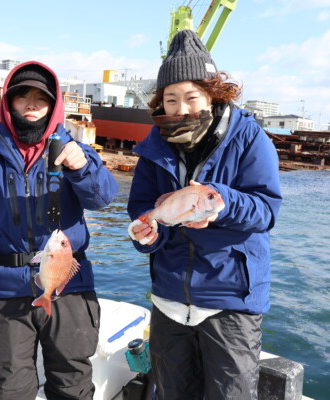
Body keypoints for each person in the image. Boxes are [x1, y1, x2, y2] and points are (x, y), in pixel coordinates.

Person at [0, 61, 118, 400]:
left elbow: (103, 198)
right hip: (5, 292)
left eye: (42, 97)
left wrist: (81, 168)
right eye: (23, 96)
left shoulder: (73, 152)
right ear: (8, 103)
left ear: (54, 105)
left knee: (72, 385)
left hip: (69, 288)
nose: (32, 104)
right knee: (8, 389)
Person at [127, 30, 282, 400]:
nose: (181, 109)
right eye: (171, 99)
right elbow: (143, 209)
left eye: (192, 97)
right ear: (160, 102)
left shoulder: (249, 137)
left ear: (213, 93)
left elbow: (266, 210)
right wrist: (146, 233)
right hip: (168, 298)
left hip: (231, 301)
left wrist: (222, 203)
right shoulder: (153, 147)